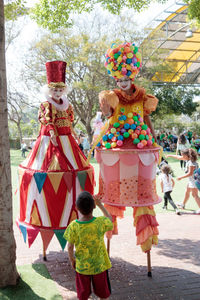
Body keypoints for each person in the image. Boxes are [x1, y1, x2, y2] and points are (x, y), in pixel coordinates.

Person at [17, 61, 94, 251]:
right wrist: (51, 131)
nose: (58, 93)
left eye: (60, 89)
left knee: (76, 173)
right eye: (54, 89)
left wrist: (74, 134)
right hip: (51, 143)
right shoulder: (46, 104)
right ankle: (47, 221)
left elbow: (69, 122)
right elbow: (46, 120)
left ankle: (72, 216)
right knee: (48, 174)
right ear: (49, 89)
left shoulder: (67, 106)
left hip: (68, 141)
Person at [64, 191, 113, 300]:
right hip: (99, 266)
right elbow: (110, 220)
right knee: (103, 295)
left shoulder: (73, 226)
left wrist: (72, 259)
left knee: (83, 296)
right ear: (94, 206)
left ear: (77, 207)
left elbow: (70, 246)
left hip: (82, 267)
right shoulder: (100, 223)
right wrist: (101, 205)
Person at [166, 149, 200, 213]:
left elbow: (190, 173)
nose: (181, 156)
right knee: (187, 192)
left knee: (194, 195)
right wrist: (169, 155)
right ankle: (183, 204)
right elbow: (178, 157)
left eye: (183, 155)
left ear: (187, 155)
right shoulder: (188, 159)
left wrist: (181, 177)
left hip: (194, 180)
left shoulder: (191, 163)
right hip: (192, 180)